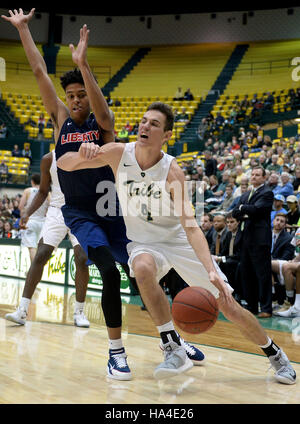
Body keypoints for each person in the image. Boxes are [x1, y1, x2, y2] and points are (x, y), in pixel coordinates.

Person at [1, 9, 202, 380]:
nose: (76, 100)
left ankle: (170, 338)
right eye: (71, 95)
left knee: (141, 273)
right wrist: (24, 30)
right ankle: (116, 353)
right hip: (81, 214)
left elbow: (103, 111)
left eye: (81, 94)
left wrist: (84, 64)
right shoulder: (61, 120)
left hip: (114, 210)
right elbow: (38, 73)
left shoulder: (102, 125)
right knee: (109, 272)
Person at [58, 101, 296, 384]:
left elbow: (192, 226)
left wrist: (210, 269)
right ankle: (172, 346)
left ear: (167, 135)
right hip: (143, 242)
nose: (145, 126)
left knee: (229, 305)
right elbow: (64, 164)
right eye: (144, 121)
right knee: (143, 268)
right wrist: (82, 153)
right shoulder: (118, 153)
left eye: (154, 124)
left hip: (177, 240)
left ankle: (275, 354)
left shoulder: (173, 172)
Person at [5, 151, 90, 328]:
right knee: (41, 254)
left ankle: (79, 312)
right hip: (57, 210)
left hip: (82, 210)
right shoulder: (48, 159)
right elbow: (43, 191)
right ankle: (22, 310)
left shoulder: (84, 151)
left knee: (81, 257)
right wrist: (26, 213)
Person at [232, 166, 274, 318]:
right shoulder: (246, 194)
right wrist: (245, 211)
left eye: (257, 175)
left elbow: (257, 210)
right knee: (247, 273)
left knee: (262, 274)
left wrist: (244, 209)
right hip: (245, 239)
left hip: (259, 240)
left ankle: (266, 308)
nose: (254, 177)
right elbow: (235, 212)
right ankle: (251, 306)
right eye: (253, 174)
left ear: (264, 178)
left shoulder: (267, 192)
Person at [18, 173, 49, 262]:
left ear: (32, 182)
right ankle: (37, 270)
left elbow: (20, 206)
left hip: (30, 222)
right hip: (43, 223)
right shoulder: (46, 192)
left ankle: (34, 271)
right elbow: (51, 206)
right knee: (39, 249)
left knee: (32, 248)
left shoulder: (27, 191)